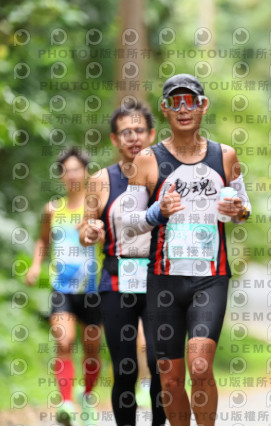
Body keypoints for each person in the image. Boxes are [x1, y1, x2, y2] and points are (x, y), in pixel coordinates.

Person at [120, 74, 251, 425]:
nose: (183, 109)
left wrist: (237, 210)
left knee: (200, 365)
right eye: (174, 102)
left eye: (190, 101)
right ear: (164, 109)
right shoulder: (147, 159)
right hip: (163, 281)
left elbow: (244, 210)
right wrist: (158, 212)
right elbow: (128, 223)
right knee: (170, 378)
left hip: (210, 278)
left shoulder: (225, 156)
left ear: (203, 106)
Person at [79, 103, 167, 426]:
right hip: (118, 281)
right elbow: (84, 230)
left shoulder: (166, 175)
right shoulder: (101, 180)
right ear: (115, 139)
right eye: (125, 132)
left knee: (161, 364)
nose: (133, 138)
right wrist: (90, 231)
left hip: (161, 280)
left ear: (151, 134)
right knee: (125, 368)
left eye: (139, 130)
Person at [25, 148, 103, 426]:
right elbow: (43, 240)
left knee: (92, 350)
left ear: (86, 173)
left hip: (93, 290)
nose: (71, 175)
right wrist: (36, 265)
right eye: (66, 170)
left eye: (76, 169)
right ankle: (67, 403)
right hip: (62, 289)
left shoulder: (95, 208)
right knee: (63, 341)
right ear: (60, 176)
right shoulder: (52, 209)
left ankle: (87, 396)